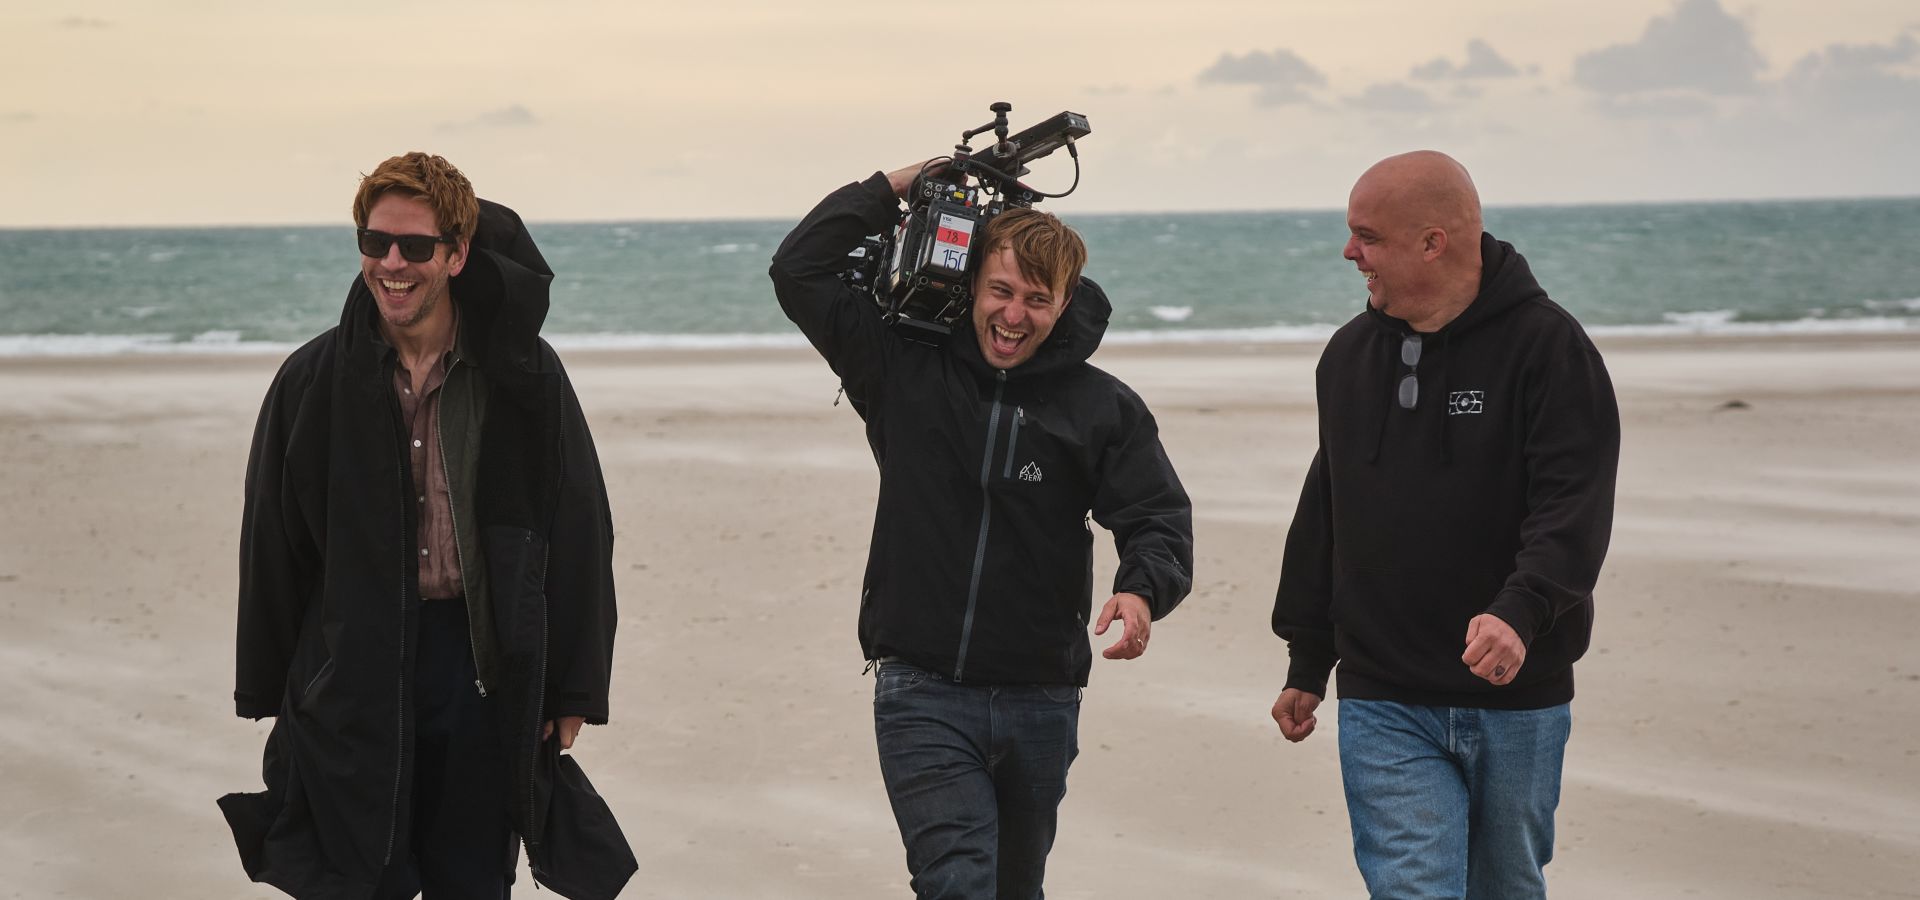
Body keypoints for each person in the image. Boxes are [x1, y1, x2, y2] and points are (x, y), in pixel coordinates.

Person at [770, 162, 1195, 899]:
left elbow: (1156, 515)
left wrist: (1142, 590)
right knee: (957, 882)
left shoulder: (1101, 407)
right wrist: (902, 184)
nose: (1014, 315)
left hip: (1042, 695)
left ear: (1065, 303)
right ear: (972, 285)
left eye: (1037, 299)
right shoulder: (899, 369)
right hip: (921, 687)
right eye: (1000, 291)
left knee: (1013, 889)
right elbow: (798, 269)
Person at [218, 152, 633, 899]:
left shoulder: (523, 376)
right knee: (356, 879)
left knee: (471, 882)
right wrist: (271, 691)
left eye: (414, 246)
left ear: (456, 254)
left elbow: (578, 530)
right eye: (375, 243)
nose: (392, 264)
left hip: (479, 669)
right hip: (351, 667)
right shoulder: (311, 380)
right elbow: (272, 544)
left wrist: (574, 690)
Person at [1269, 150, 1620, 899]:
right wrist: (1308, 657)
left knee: (1505, 887)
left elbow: (1573, 507)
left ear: (1434, 242)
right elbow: (1327, 508)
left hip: (1518, 695)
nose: (1349, 252)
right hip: (1383, 694)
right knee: (1414, 889)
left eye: (1368, 236)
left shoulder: (1548, 349)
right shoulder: (1348, 357)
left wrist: (1520, 611)